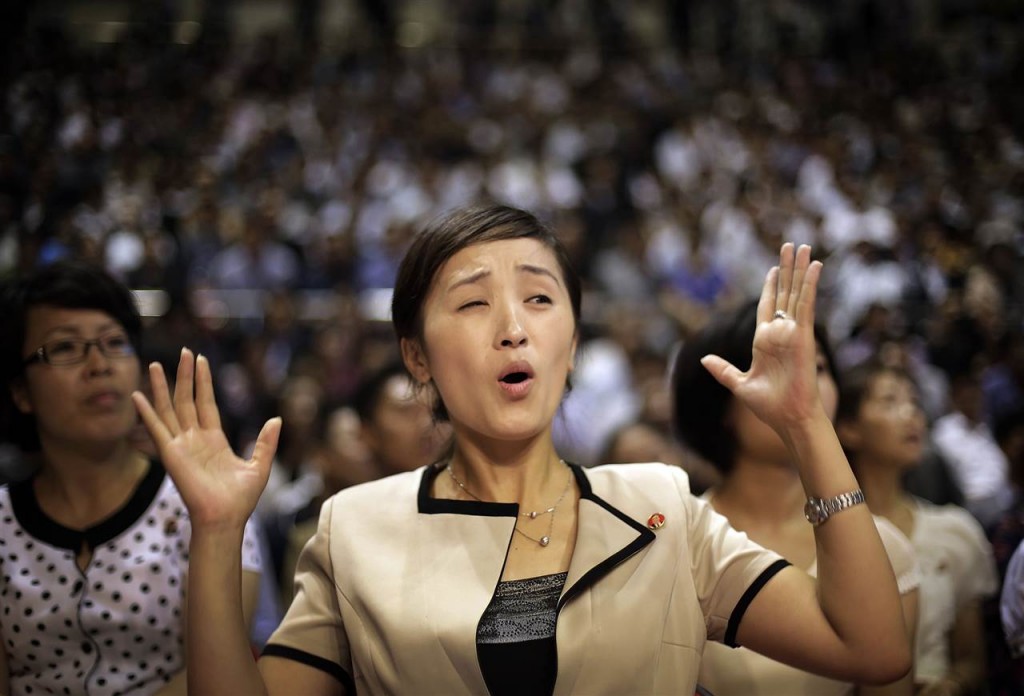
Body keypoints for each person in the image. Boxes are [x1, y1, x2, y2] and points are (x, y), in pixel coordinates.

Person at [131, 204, 912, 695]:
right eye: (473, 302)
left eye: (540, 298)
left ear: (570, 346)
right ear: (416, 358)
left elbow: (870, 648)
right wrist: (217, 531)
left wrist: (808, 428)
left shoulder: (661, 506)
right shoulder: (354, 529)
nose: (513, 325)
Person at [0, 260, 265, 696]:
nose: (98, 364)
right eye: (65, 347)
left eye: (115, 343)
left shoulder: (204, 505)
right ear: (21, 392)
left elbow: (222, 672)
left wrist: (217, 523)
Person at [672, 300, 920, 695]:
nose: (804, 386)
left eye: (817, 367)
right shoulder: (681, 542)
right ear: (720, 398)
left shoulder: (883, 547)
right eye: (779, 366)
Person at [835, 360, 998, 694]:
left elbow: (972, 658)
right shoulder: (823, 537)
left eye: (914, 401)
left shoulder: (955, 531)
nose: (911, 413)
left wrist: (952, 684)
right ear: (848, 428)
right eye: (890, 401)